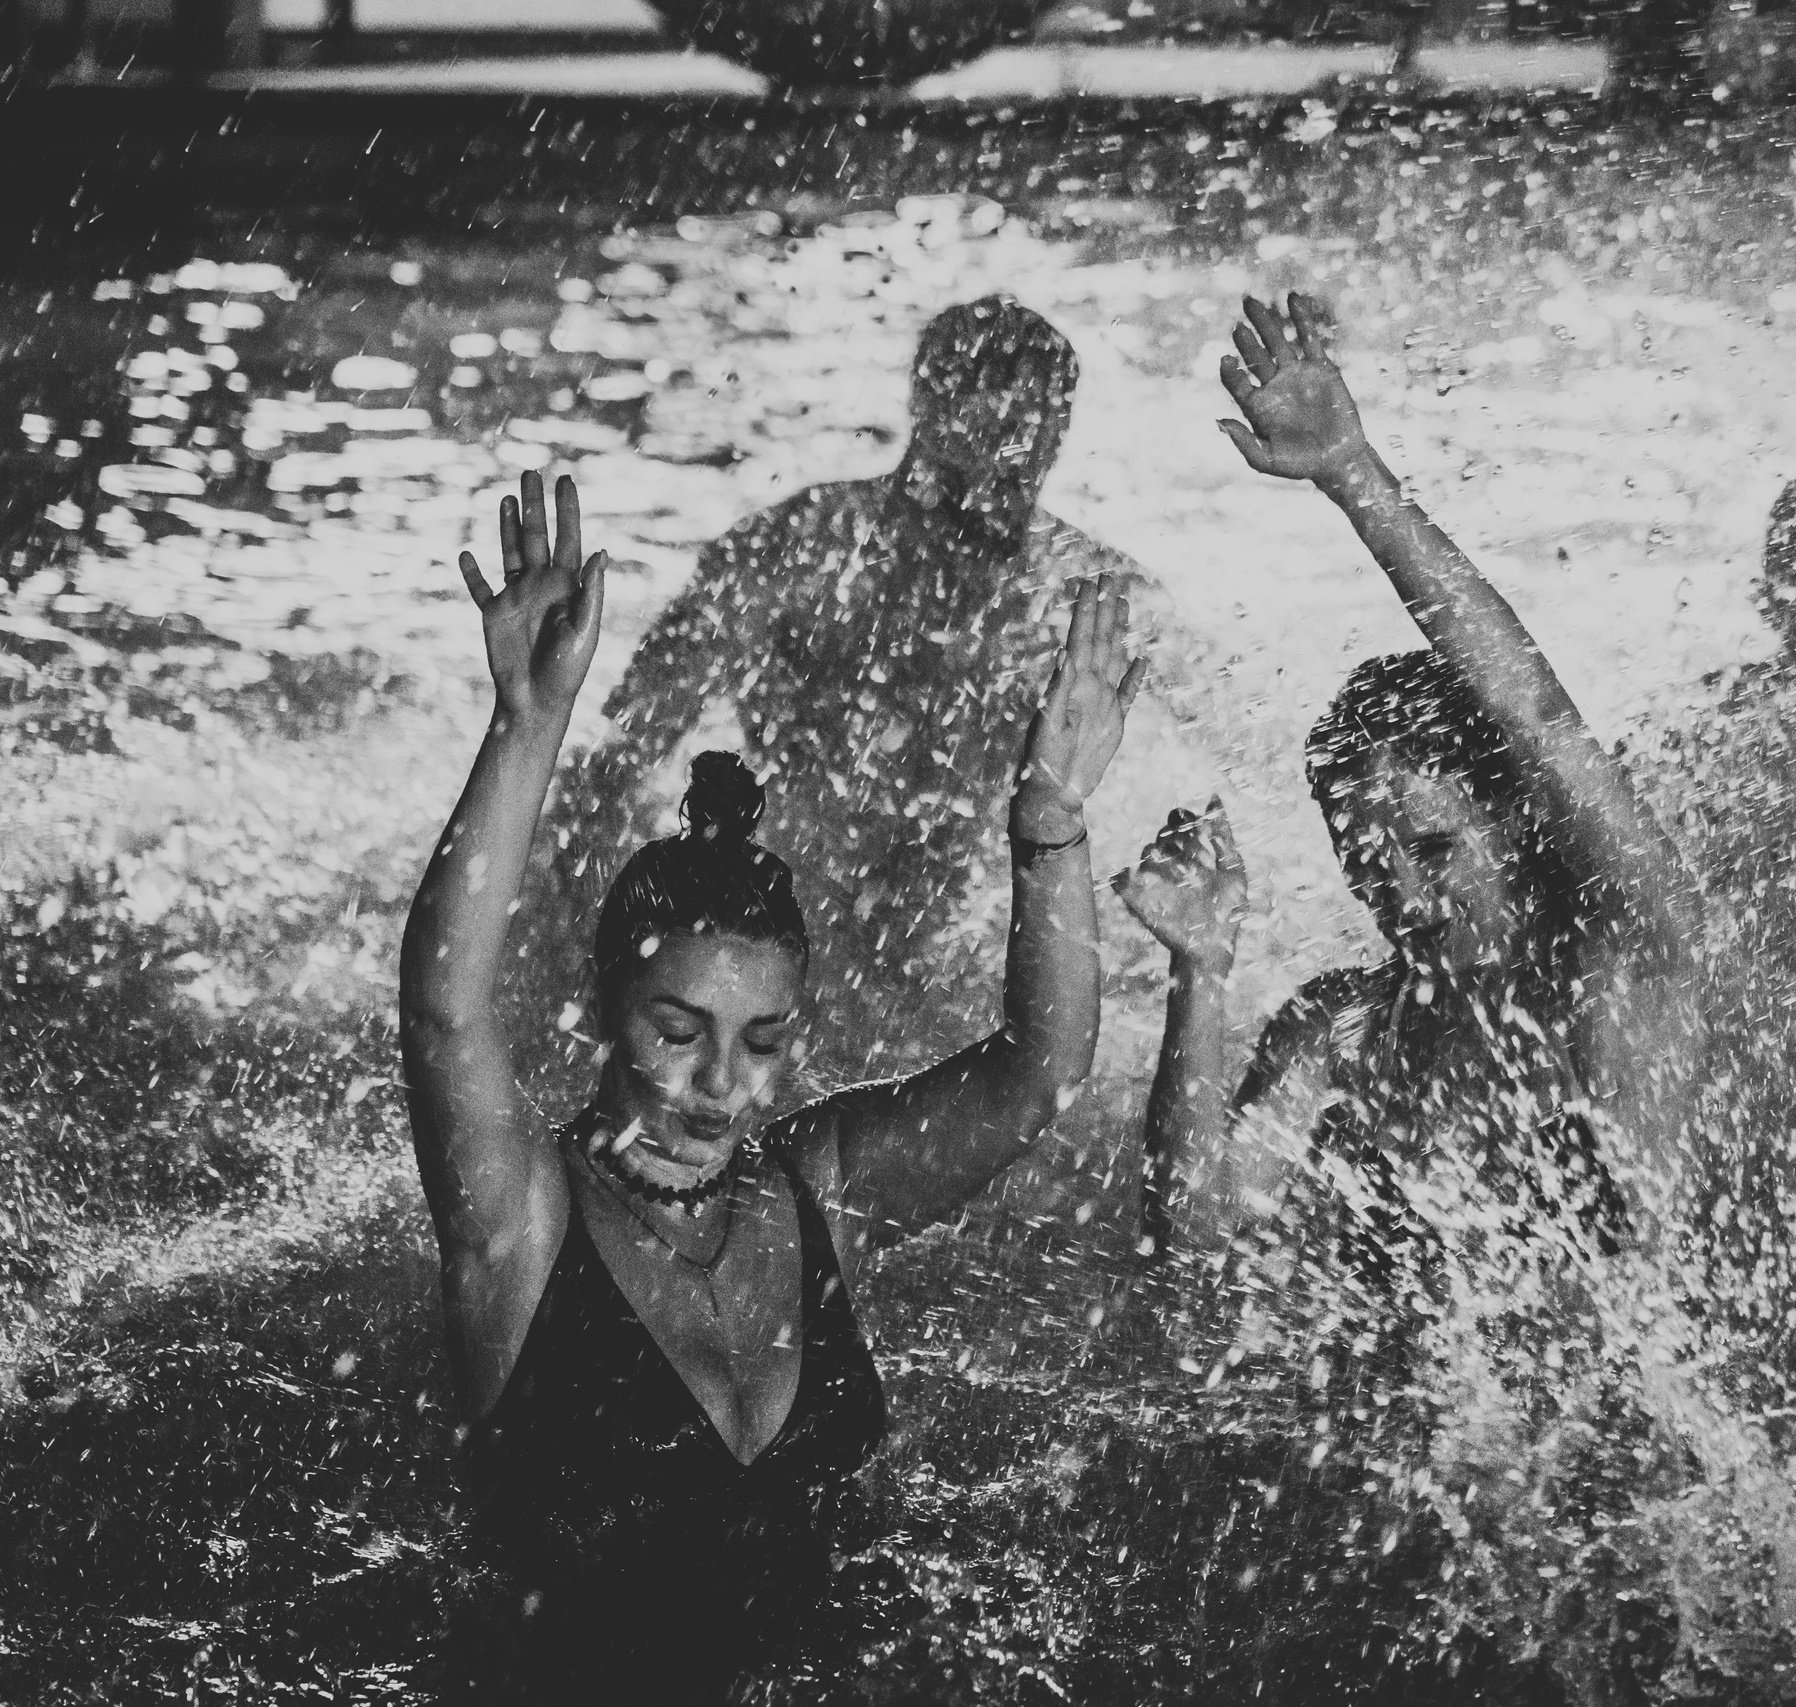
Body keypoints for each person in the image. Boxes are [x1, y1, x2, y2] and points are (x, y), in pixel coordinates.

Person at [401, 470, 1145, 1700]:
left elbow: (1038, 1075)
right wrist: (527, 723)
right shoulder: (519, 1224)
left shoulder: (817, 1189)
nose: (718, 1082)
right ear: (601, 1013)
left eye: (762, 1040)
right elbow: (443, 1009)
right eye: (679, 1030)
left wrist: (1050, 817)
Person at [1116, 294, 1711, 1288]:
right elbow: (1195, 1252)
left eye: (1433, 848)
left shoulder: (1622, 962)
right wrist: (1200, 974)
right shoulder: (1346, 1027)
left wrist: (1355, 480)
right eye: (1365, 864)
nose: (1400, 895)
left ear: (1514, 822)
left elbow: (1537, 717)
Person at [559, 294, 1192, 1080]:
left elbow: (1218, 748)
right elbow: (619, 756)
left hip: (955, 945)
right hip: (791, 922)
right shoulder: (792, 555)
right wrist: (586, 956)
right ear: (926, 407)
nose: (1010, 464)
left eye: (1035, 438)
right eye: (990, 429)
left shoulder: (1086, 597)